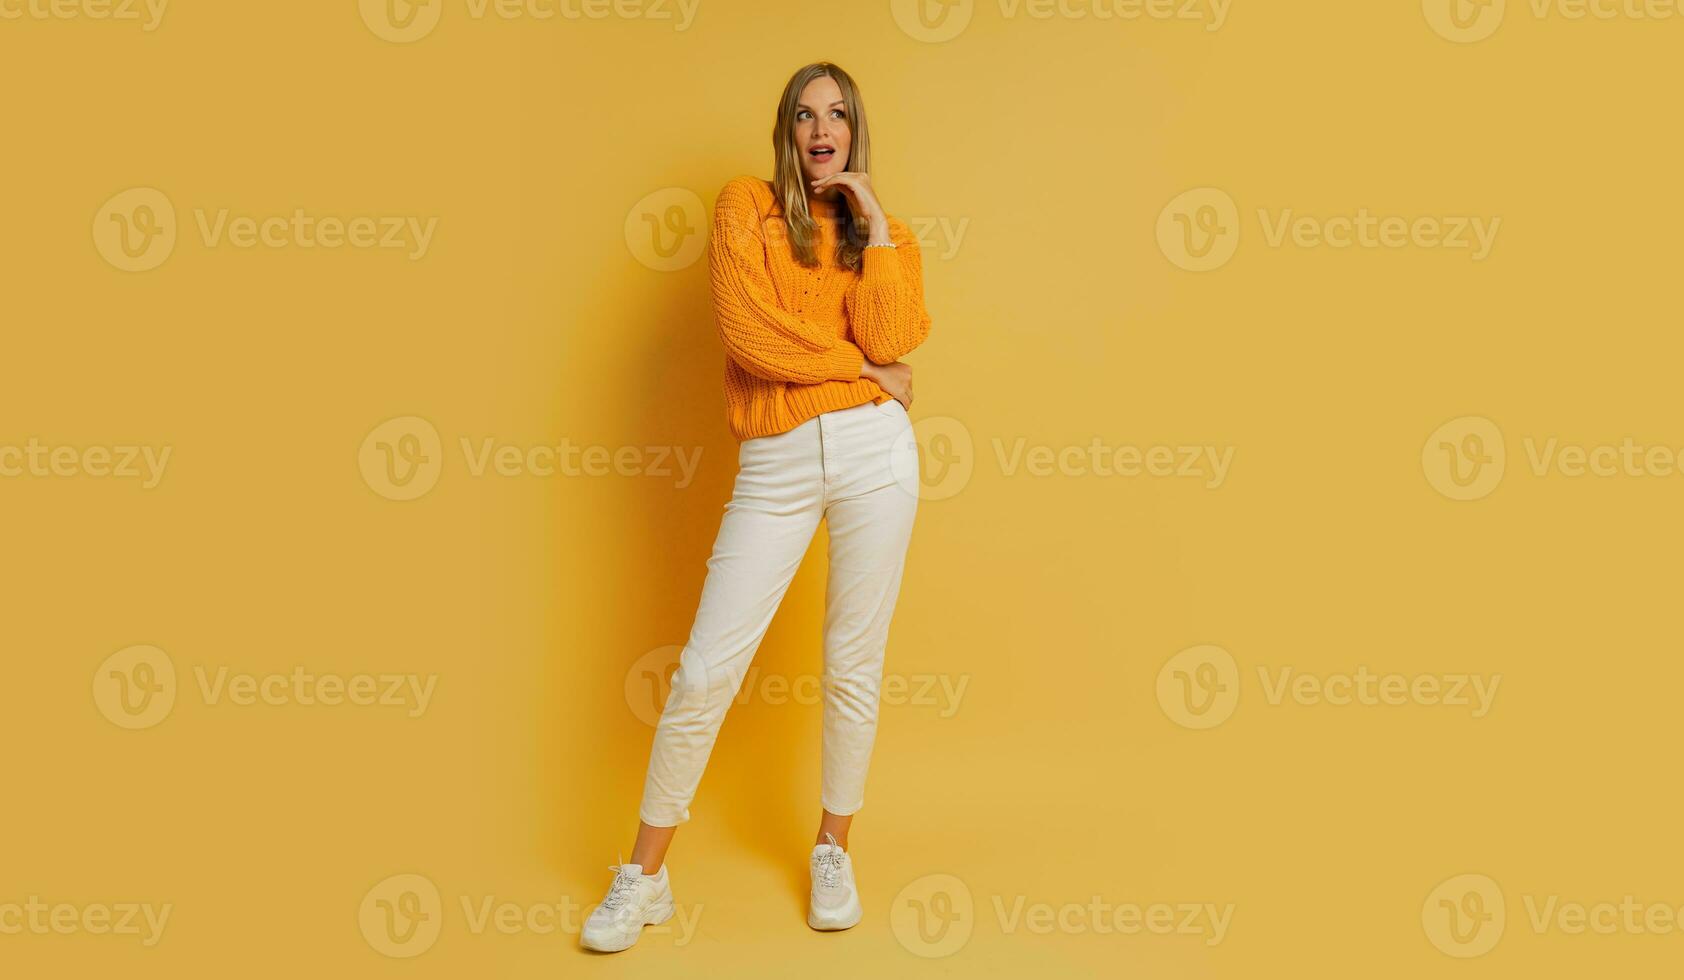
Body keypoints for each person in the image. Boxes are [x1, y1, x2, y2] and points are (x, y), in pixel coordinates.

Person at [582, 60, 933, 953]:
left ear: (857, 132)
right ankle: (644, 875)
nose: (824, 131)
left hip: (875, 459)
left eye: (840, 116)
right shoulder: (746, 208)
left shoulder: (885, 240)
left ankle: (832, 848)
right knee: (705, 670)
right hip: (776, 459)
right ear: (785, 129)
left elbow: (896, 334)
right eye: (807, 116)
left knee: (853, 661)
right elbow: (753, 337)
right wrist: (863, 370)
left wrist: (878, 228)